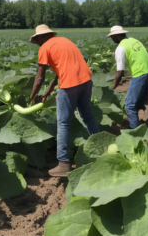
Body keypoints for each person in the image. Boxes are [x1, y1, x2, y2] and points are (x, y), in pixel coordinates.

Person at [29, 25, 100, 177]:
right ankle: (102, 149)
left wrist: (31, 97)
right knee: (87, 116)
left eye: (37, 39)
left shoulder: (44, 48)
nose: (38, 43)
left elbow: (40, 77)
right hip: (86, 80)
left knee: (63, 123)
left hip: (69, 86)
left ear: (41, 37)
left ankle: (63, 164)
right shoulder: (64, 41)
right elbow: (61, 69)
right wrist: (49, 90)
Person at [108, 25, 148, 129]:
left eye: (112, 36)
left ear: (117, 35)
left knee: (130, 105)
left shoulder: (120, 48)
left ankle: (135, 132)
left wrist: (113, 88)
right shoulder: (134, 40)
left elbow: (119, 73)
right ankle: (145, 111)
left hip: (140, 74)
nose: (112, 39)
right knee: (137, 99)